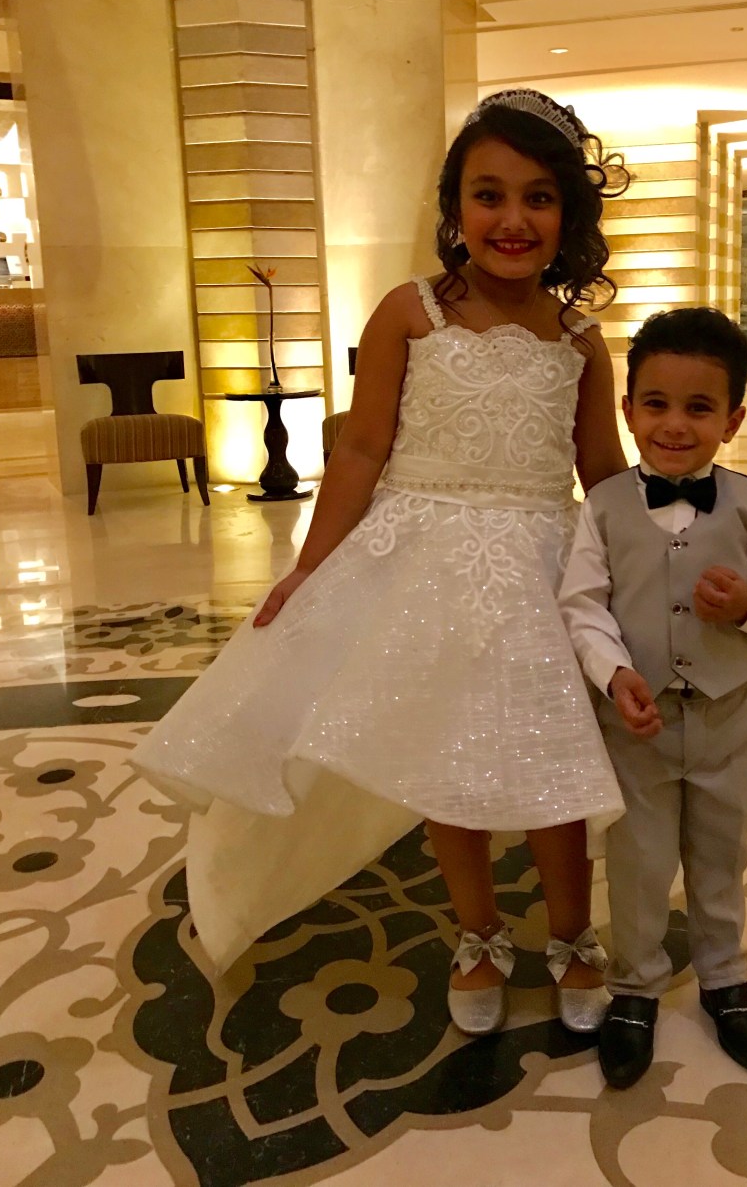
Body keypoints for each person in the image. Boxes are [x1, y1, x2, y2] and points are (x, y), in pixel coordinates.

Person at [133, 88, 629, 1038]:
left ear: (569, 214)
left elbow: (601, 470)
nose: (512, 218)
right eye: (488, 194)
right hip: (421, 565)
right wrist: (310, 568)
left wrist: (655, 566)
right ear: (454, 207)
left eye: (538, 197)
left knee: (553, 761)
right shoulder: (411, 313)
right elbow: (362, 451)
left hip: (536, 571)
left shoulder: (579, 341)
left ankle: (572, 933)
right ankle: (478, 931)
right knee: (442, 758)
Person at [558, 306, 747, 1086]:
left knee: (721, 853)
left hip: (726, 722)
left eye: (699, 408)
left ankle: (724, 977)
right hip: (634, 726)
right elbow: (582, 607)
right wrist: (614, 673)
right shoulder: (601, 508)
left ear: (732, 420)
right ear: (628, 410)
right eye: (657, 404)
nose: (675, 424)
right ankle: (635, 985)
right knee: (636, 861)